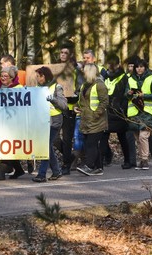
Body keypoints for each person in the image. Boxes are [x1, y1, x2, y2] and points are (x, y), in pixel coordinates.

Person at [32, 66, 67, 182]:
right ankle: (56, 171)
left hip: (54, 121)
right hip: (42, 120)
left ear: (44, 76)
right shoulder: (37, 88)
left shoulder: (57, 87)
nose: (37, 79)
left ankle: (42, 174)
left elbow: (64, 106)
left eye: (39, 77)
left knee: (45, 145)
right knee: (47, 145)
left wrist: (53, 99)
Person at [127, 58, 152, 170]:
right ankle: (142, 160)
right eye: (137, 67)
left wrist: (144, 95)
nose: (139, 69)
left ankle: (145, 160)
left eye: (141, 66)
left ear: (145, 67)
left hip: (148, 112)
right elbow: (125, 95)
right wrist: (129, 93)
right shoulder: (130, 79)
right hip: (135, 112)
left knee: (143, 136)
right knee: (138, 137)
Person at [103, 53, 136, 169]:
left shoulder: (124, 78)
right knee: (103, 136)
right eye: (109, 65)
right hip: (107, 111)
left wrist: (121, 109)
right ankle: (106, 157)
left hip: (119, 112)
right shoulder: (105, 77)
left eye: (113, 65)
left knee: (122, 137)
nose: (110, 67)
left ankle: (127, 160)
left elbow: (126, 95)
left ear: (118, 65)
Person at [76, 64, 109, 176]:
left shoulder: (100, 85)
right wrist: (77, 106)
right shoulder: (84, 85)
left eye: (85, 71)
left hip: (96, 121)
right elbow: (82, 101)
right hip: (86, 119)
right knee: (91, 144)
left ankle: (89, 166)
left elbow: (104, 102)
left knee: (91, 143)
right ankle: (98, 167)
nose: (83, 73)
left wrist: (96, 114)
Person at [0, 66, 26, 181]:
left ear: (12, 77)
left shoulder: (19, 88)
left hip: (14, 122)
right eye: (1, 76)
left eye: (5, 76)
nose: (3, 78)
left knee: (7, 146)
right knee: (8, 146)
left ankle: (1, 172)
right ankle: (18, 169)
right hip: (1, 121)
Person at [57, 42, 81, 174]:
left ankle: (66, 165)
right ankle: (70, 157)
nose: (63, 55)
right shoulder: (54, 68)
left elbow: (79, 88)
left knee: (67, 138)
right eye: (61, 52)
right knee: (54, 138)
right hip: (56, 108)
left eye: (66, 53)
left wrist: (73, 96)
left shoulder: (76, 70)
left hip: (70, 108)